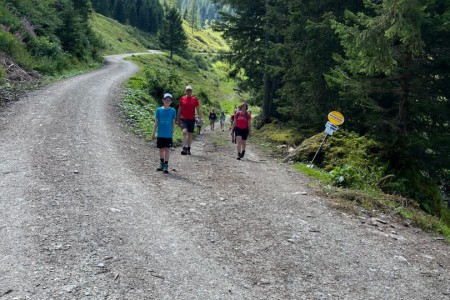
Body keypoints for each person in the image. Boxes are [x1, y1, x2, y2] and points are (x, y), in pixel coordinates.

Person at [151, 93, 176, 174]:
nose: (167, 101)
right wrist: (153, 132)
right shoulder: (159, 110)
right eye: (166, 100)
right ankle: (161, 164)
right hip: (160, 133)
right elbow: (156, 122)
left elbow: (173, 122)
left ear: (171, 102)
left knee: (167, 149)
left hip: (168, 134)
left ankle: (166, 165)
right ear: (163, 100)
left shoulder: (173, 111)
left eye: (169, 100)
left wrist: (173, 130)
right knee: (161, 149)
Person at [177, 85, 202, 155]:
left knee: (190, 134)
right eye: (187, 90)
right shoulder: (182, 99)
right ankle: (184, 148)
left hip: (191, 119)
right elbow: (179, 109)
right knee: (184, 132)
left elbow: (198, 109)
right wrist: (178, 119)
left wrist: (200, 118)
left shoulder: (195, 99)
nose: (188, 91)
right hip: (184, 118)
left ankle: (189, 148)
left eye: (190, 90)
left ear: (191, 91)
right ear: (185, 91)